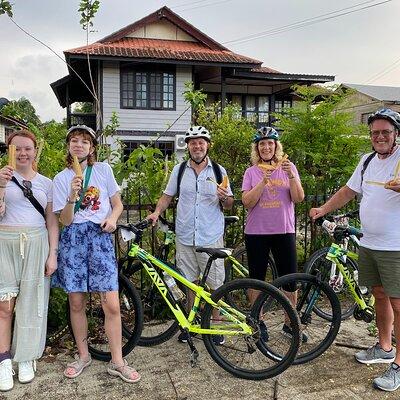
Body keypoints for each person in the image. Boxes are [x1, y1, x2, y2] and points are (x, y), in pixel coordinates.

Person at [309, 108, 400, 392]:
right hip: (371, 243)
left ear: (396, 133)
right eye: (375, 132)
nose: (380, 136)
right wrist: (323, 208)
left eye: (386, 131)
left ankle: (398, 364)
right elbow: (349, 191)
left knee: (399, 304)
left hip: (396, 246)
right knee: (379, 296)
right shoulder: (367, 160)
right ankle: (385, 347)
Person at [51, 125, 140, 383]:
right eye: (74, 141)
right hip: (74, 239)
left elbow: (117, 203)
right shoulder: (60, 178)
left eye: (84, 142)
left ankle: (117, 361)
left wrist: (113, 219)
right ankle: (83, 355)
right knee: (77, 303)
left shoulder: (102, 170)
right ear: (69, 146)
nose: (79, 145)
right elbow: (65, 221)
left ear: (92, 148)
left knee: (110, 303)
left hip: (99, 237)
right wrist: (71, 196)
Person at [147, 126, 234, 345]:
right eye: (193, 142)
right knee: (190, 283)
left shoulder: (218, 171)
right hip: (185, 236)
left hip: (210, 236)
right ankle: (191, 325)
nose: (197, 146)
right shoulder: (179, 171)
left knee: (215, 284)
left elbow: (231, 204)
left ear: (208, 145)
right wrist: (157, 213)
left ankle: (216, 326)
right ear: (188, 146)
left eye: (201, 142)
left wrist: (224, 198)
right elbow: (167, 196)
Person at [0, 130, 58, 392]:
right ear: (8, 150)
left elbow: (52, 220)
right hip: (5, 242)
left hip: (37, 242)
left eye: (27, 148)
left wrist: (52, 253)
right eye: (16, 149)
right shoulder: (1, 178)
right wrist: (1, 187)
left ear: (35, 151)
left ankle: (25, 356)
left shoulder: (46, 183)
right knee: (5, 306)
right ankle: (3, 359)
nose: (22, 153)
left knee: (31, 304)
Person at [241, 126, 305, 340]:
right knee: (256, 278)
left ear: (276, 146)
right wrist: (263, 180)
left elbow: (298, 198)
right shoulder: (251, 172)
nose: (266, 147)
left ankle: (290, 323)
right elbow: (247, 202)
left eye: (270, 143)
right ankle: (257, 322)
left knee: (290, 279)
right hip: (256, 232)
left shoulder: (289, 167)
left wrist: (291, 176)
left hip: (283, 230)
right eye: (262, 144)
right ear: (257, 149)